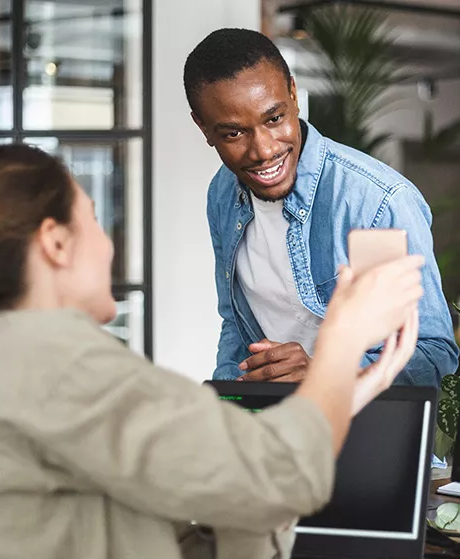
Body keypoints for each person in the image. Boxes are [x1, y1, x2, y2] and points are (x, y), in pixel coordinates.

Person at [0, 144, 423, 559]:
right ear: (54, 242)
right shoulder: (55, 365)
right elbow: (282, 471)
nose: (108, 244)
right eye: (95, 221)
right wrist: (341, 338)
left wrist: (347, 389)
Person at [183, 28, 458, 386]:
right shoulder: (223, 194)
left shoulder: (373, 203)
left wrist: (327, 372)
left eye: (274, 119)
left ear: (294, 95)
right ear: (203, 128)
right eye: (234, 133)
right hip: (281, 430)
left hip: (367, 433)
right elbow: (237, 327)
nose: (264, 150)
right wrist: (226, 405)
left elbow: (432, 356)